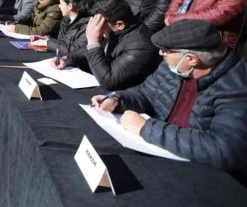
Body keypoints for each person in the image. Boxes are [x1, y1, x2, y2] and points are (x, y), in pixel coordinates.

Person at [92, 20, 247, 170]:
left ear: (191, 59)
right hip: (157, 151)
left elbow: (226, 150)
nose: (160, 54)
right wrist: (117, 99)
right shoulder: (176, 66)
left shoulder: (236, 88)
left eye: (166, 51)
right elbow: (145, 92)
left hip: (199, 173)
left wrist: (146, 128)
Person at [54, 0, 160, 90]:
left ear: (119, 24)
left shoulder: (140, 47)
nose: (96, 26)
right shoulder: (116, 30)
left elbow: (109, 82)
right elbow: (89, 50)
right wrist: (68, 59)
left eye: (100, 22)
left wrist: (93, 41)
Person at [28, 0, 94, 55]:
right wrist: (45, 38)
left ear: (70, 6)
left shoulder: (86, 25)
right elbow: (61, 40)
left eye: (61, 4)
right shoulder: (66, 20)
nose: (59, 6)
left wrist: (46, 42)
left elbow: (73, 49)